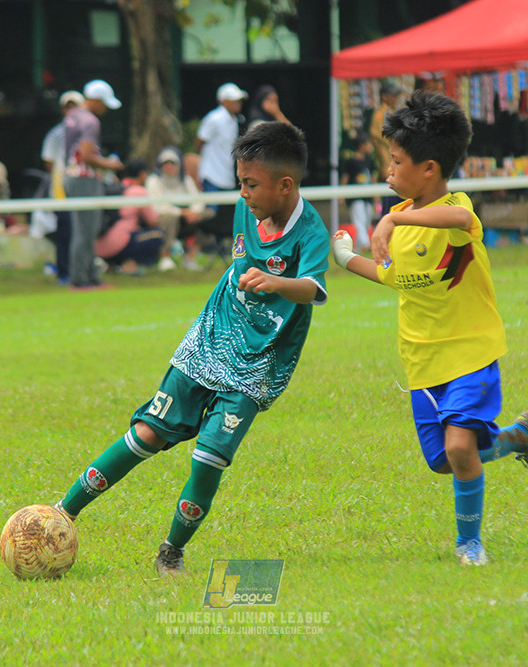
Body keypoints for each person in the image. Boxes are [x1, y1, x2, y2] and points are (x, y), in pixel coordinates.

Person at [52, 122, 330, 576]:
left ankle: (171, 552)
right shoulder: (250, 206)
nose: (243, 194)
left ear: (286, 184)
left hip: (260, 361)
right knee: (146, 434)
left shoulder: (310, 230)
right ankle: (62, 512)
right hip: (210, 338)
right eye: (240, 182)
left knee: (209, 457)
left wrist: (277, 281)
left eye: (250, 184)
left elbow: (313, 288)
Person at [331, 90, 528, 567]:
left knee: (458, 446)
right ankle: (520, 437)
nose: (388, 171)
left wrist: (394, 218)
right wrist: (347, 259)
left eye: (396, 161)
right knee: (443, 459)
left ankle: (468, 543)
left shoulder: (452, 209)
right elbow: (394, 277)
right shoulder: (402, 222)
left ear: (428, 168)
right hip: (421, 359)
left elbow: (460, 218)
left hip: (471, 352)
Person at [63, 79, 124, 291]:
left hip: (71, 176)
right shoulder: (91, 121)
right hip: (84, 178)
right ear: (96, 100)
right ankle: (81, 280)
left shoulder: (72, 116)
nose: (105, 108)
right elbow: (87, 155)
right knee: (86, 231)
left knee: (84, 229)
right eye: (104, 103)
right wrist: (111, 164)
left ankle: (90, 277)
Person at [40, 90, 85, 284]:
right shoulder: (56, 134)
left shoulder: (87, 131)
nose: (72, 110)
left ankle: (81, 272)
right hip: (62, 192)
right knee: (65, 232)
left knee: (83, 233)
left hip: (83, 191)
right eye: (68, 106)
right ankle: (64, 272)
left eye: (75, 106)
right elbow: (49, 162)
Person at [196, 83, 248, 246]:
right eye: (234, 100)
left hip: (226, 175)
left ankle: (218, 246)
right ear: (223, 101)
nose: (238, 103)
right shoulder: (214, 118)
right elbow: (200, 142)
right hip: (212, 174)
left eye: (239, 100)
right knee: (210, 212)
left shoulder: (236, 120)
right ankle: (197, 245)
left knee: (224, 213)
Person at [144, 146, 208, 272]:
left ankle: (190, 257)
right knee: (170, 218)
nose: (169, 166)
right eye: (165, 163)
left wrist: (194, 212)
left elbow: (198, 200)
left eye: (172, 163)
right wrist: (182, 213)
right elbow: (158, 207)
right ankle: (165, 256)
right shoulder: (153, 180)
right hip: (164, 220)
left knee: (208, 215)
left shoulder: (186, 179)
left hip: (187, 220)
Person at [95, 158, 164, 274]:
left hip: (97, 246)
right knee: (158, 235)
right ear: (142, 174)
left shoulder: (114, 188)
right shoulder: (138, 192)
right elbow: (153, 221)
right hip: (118, 246)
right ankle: (129, 265)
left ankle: (112, 266)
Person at [340, 131, 378, 252]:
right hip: (355, 197)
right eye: (368, 144)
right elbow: (345, 178)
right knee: (359, 220)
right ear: (362, 145)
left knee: (366, 220)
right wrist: (341, 195)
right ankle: (366, 244)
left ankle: (360, 246)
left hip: (367, 196)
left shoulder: (369, 161)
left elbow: (372, 178)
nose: (370, 146)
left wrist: (376, 194)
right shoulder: (351, 162)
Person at [369, 82, 403, 214]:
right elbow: (382, 138)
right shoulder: (380, 115)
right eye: (393, 95)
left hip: (396, 169)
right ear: (384, 96)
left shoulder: (392, 112)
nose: (395, 98)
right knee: (390, 208)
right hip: (388, 169)